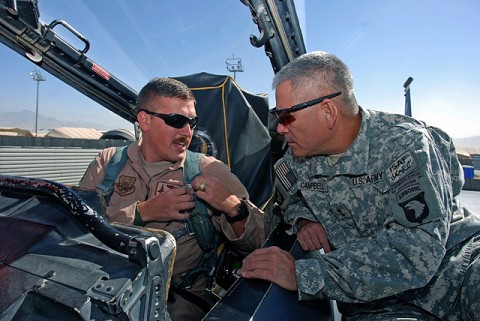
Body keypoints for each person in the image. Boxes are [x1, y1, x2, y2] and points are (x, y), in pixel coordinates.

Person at [238, 51, 480, 321]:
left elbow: (417, 251)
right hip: (376, 301)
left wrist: (302, 275)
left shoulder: (405, 145)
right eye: (276, 116)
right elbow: (289, 201)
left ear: (328, 112)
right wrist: (304, 220)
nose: (280, 129)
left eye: (286, 116)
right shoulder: (294, 163)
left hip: (458, 269)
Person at [80, 77, 265, 321]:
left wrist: (234, 209)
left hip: (178, 298)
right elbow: (74, 226)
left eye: (191, 122)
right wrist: (142, 212)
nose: (187, 132)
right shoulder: (108, 163)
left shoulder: (210, 171)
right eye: (176, 121)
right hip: (103, 286)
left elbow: (260, 244)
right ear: (144, 120)